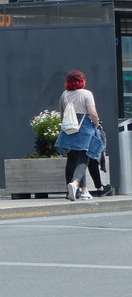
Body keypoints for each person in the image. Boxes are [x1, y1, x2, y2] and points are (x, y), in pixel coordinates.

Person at [54, 70, 103, 201]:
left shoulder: (65, 94)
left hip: (69, 129)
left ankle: (73, 191)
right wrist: (97, 124)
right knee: (84, 158)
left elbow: (62, 113)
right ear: (82, 81)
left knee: (71, 159)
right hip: (85, 128)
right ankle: (75, 183)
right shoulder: (86, 94)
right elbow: (92, 113)